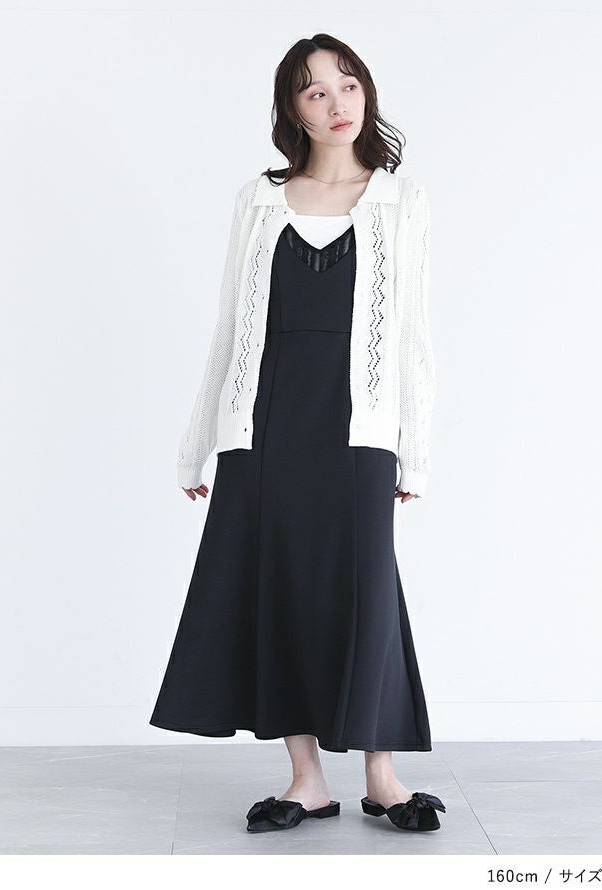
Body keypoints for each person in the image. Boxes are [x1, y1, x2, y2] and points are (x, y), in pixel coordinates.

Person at [150, 33, 443, 834]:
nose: (335, 102)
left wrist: (415, 449)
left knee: (365, 587)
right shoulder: (259, 199)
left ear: (366, 93)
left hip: (358, 422)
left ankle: (382, 774)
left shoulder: (401, 201)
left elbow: (411, 333)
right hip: (266, 416)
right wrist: (197, 441)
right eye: (315, 91)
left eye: (347, 84)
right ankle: (306, 778)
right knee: (276, 584)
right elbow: (229, 326)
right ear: (293, 110)